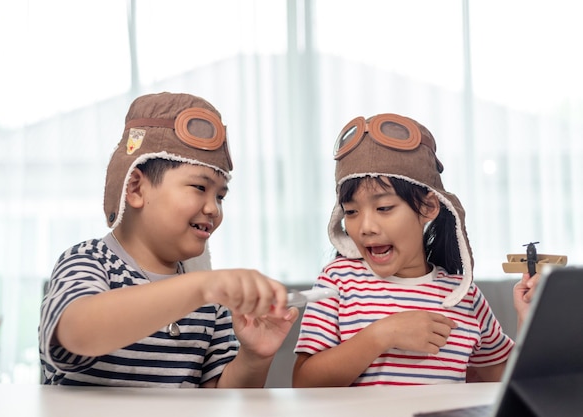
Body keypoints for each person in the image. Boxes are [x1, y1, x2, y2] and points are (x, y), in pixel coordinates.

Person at [39, 92, 298, 387]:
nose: (213, 208)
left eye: (221, 196)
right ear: (136, 188)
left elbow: (219, 397)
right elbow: (78, 333)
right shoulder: (87, 261)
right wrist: (202, 287)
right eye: (200, 187)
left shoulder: (209, 300)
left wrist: (254, 357)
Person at [292, 113, 538, 387]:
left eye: (384, 208)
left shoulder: (463, 295)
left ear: (428, 207)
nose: (365, 227)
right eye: (351, 212)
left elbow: (508, 384)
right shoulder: (336, 283)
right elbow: (304, 385)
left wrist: (530, 320)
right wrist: (382, 335)